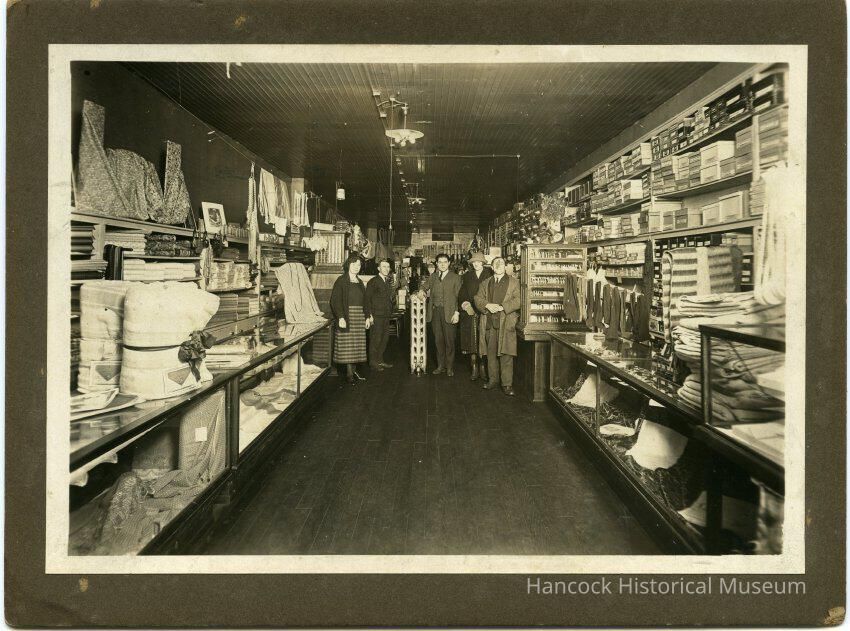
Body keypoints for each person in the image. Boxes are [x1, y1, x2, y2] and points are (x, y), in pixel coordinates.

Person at [474, 256, 521, 396]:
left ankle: (507, 384)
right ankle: (493, 380)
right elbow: (477, 298)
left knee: (506, 354)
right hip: (489, 323)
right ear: (492, 267)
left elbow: (519, 300)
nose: (499, 265)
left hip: (506, 324)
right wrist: (487, 305)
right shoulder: (485, 283)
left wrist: (502, 307)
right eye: (496, 263)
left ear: (506, 266)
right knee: (491, 354)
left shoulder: (514, 282)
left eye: (502, 263)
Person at [330, 253, 372, 384]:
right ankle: (349, 374)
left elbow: (366, 302)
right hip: (347, 316)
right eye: (354, 264)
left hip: (359, 316)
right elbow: (335, 300)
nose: (356, 267)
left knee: (356, 345)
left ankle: (353, 371)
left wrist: (367, 317)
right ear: (348, 265)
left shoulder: (360, 282)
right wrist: (341, 317)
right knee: (347, 347)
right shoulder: (341, 280)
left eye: (359, 265)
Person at [417, 253, 462, 376]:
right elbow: (424, 285)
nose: (442, 264)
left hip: (450, 313)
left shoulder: (456, 278)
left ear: (449, 263)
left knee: (449, 341)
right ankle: (440, 365)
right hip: (435, 312)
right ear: (436, 264)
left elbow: (459, 297)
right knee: (438, 340)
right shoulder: (433, 277)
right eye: (440, 262)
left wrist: (457, 312)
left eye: (445, 262)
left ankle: (449, 367)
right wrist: (421, 290)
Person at [457, 251, 493, 381]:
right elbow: (462, 293)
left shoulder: (490, 275)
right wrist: (466, 305)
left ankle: (483, 366)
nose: (476, 264)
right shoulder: (467, 276)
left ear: (483, 263)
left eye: (479, 262)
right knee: (471, 340)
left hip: (485, 312)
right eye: (474, 262)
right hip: (470, 312)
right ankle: (474, 367)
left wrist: (485, 307)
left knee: (484, 340)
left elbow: (492, 294)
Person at [365, 258, 395, 371]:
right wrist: (369, 315)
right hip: (376, 315)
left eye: (388, 267)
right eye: (384, 266)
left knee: (384, 339)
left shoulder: (386, 281)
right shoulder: (373, 281)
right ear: (378, 268)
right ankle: (373, 363)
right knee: (375, 340)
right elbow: (367, 299)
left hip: (386, 315)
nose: (386, 269)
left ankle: (380, 360)